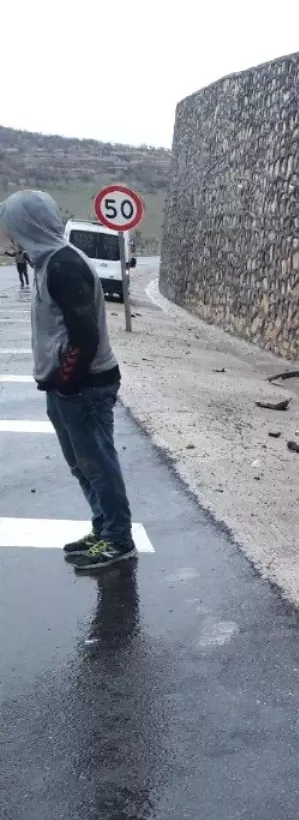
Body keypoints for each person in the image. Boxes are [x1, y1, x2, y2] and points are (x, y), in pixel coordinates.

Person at [0, 190, 135, 570]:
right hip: (66, 386)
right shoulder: (47, 262)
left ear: (27, 226)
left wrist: (67, 383)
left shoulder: (64, 266)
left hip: (85, 387)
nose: (9, 238)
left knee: (97, 463)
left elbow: (84, 337)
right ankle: (103, 527)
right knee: (81, 463)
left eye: (12, 229)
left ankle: (118, 538)